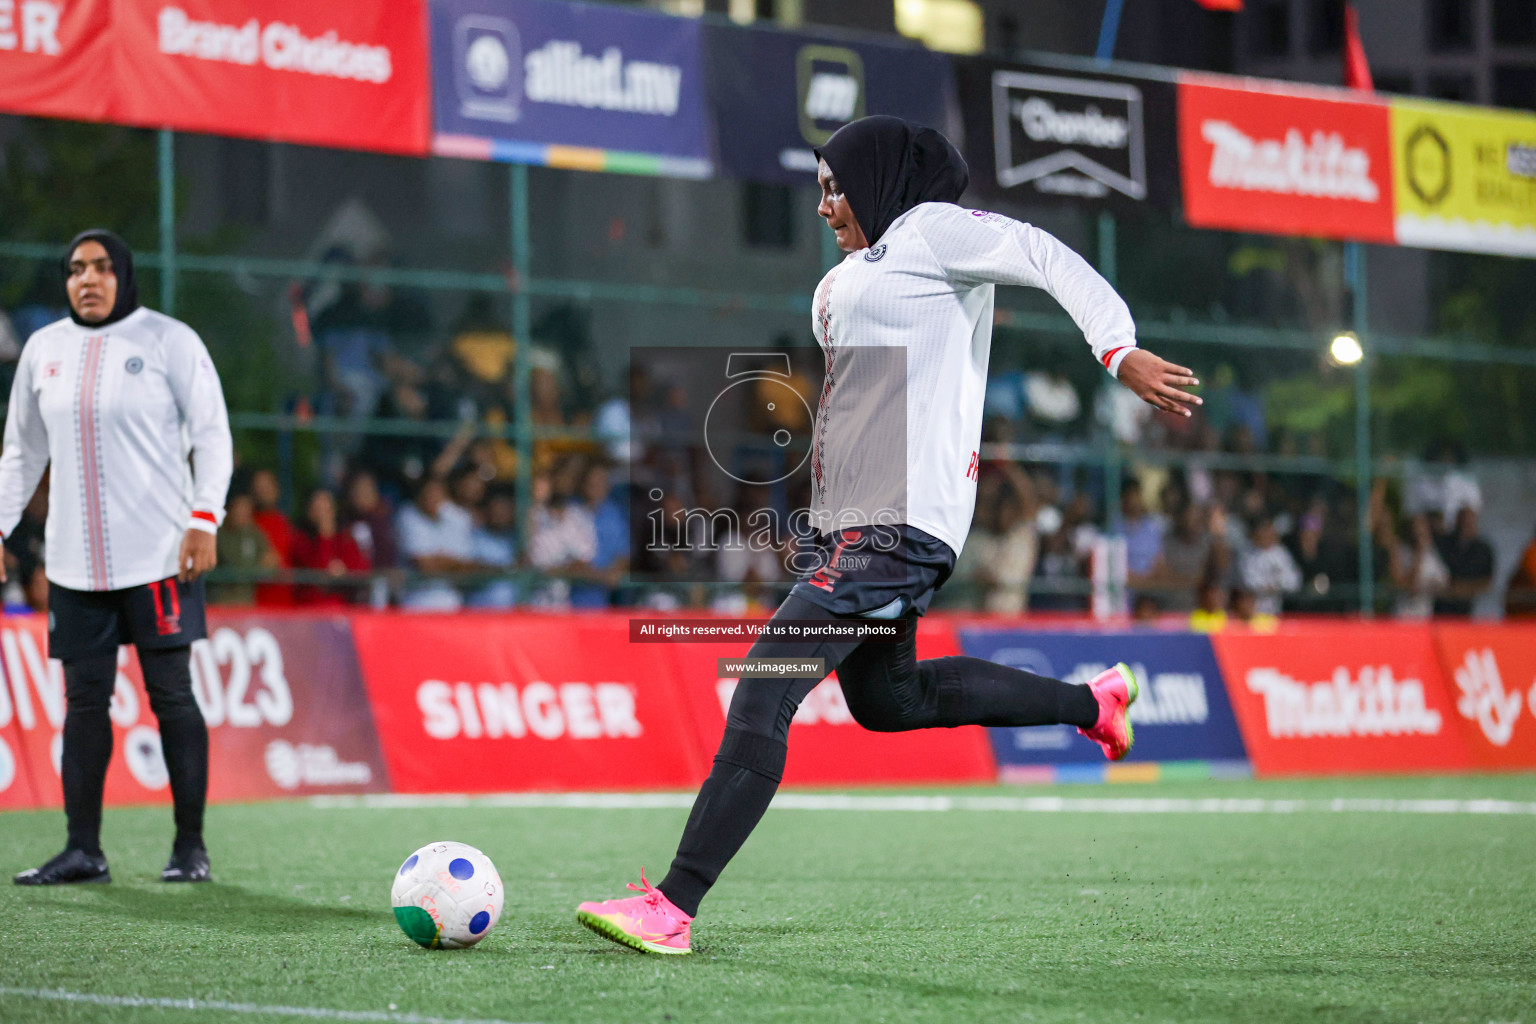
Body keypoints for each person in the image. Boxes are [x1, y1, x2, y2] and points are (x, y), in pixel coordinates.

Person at [574, 117, 1201, 955]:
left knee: (767, 680)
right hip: (857, 527)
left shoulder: (931, 230)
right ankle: (1095, 704)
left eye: (838, 185)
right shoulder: (839, 285)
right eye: (820, 189)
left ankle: (673, 907)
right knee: (888, 702)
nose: (826, 205)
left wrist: (1116, 349)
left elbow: (1049, 255)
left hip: (903, 524)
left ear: (879, 179)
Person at [2, 230, 232, 885]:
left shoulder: (170, 340)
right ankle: (83, 850)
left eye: (102, 268)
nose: (88, 280)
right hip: (74, 567)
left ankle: (190, 847)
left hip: (162, 558)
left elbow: (212, 437)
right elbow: (21, 455)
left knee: (172, 698)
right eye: (76, 269)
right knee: (83, 704)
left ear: (124, 275)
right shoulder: (43, 350)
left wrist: (203, 518)